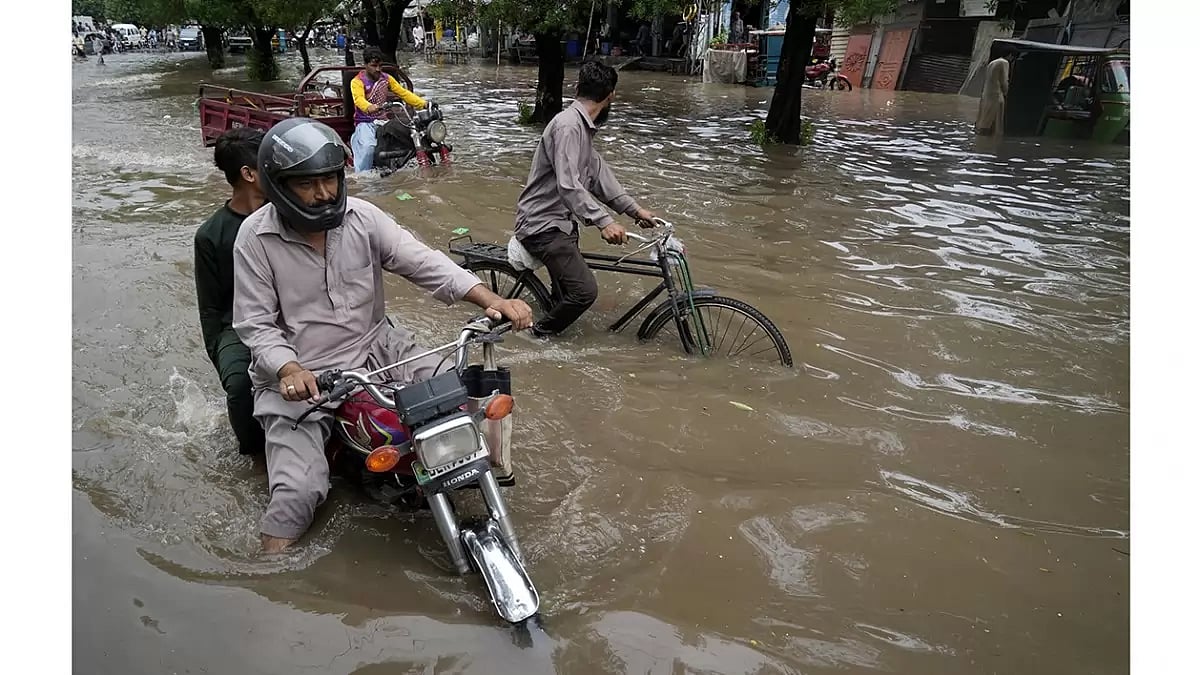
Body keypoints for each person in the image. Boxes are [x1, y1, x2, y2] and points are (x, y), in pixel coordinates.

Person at [232, 118, 533, 552]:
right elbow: (255, 325)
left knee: (468, 405)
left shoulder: (364, 217)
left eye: (330, 180)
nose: (323, 194)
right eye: (307, 184)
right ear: (278, 185)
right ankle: (267, 576)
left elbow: (424, 262)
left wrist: (489, 299)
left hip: (379, 348)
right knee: (298, 493)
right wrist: (290, 368)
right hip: (303, 377)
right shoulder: (254, 238)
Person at [512, 61, 658, 339]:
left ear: (577, 87)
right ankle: (534, 337)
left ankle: (552, 333)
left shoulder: (582, 128)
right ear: (611, 96)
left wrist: (635, 210)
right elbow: (569, 185)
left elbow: (602, 179)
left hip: (562, 225)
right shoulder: (568, 127)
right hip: (542, 225)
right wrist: (604, 222)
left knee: (566, 296)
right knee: (584, 292)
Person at [195, 128, 269, 457]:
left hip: (291, 312)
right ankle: (255, 455)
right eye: (268, 162)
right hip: (236, 326)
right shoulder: (211, 235)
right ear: (248, 173)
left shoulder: (289, 215)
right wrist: (223, 359)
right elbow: (211, 310)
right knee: (241, 385)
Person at [349, 46, 429, 173]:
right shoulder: (357, 81)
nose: (378, 69)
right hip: (365, 123)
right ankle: (363, 176)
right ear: (365, 64)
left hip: (384, 122)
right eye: (374, 66)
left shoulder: (386, 79)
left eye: (380, 66)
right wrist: (369, 107)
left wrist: (424, 104)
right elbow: (358, 99)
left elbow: (404, 93)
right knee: (368, 148)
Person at [976, 49, 1014, 137]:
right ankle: (991, 143)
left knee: (985, 120)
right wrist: (1006, 92)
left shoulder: (992, 63)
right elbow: (1004, 80)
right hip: (996, 95)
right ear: (1010, 55)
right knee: (996, 123)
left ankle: (981, 140)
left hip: (986, 94)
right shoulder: (1004, 63)